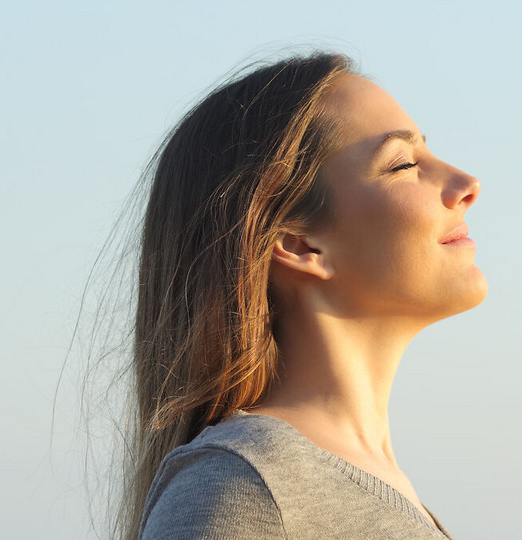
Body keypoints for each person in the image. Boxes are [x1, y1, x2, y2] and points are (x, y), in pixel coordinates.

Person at [121, 52, 486, 539]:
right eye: (403, 164)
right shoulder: (245, 484)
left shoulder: (349, 489)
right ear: (299, 243)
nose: (467, 184)